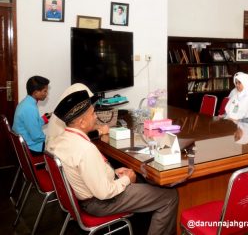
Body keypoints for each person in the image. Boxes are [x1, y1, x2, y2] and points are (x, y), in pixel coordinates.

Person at [47, 89, 178, 235]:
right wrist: (127, 179)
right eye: (93, 113)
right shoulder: (85, 149)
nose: (96, 117)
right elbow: (105, 192)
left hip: (87, 197)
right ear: (82, 122)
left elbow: (85, 173)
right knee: (169, 197)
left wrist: (113, 172)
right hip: (100, 203)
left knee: (143, 179)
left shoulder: (60, 141)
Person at [45, 83, 109, 149]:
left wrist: (98, 127)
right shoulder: (69, 114)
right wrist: (99, 132)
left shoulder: (65, 109)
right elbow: (77, 138)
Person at [13, 76, 50, 156]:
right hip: (31, 148)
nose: (46, 94)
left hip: (24, 143)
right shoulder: (30, 108)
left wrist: (44, 119)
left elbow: (31, 123)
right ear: (36, 92)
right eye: (45, 91)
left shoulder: (26, 102)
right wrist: (50, 138)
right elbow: (36, 136)